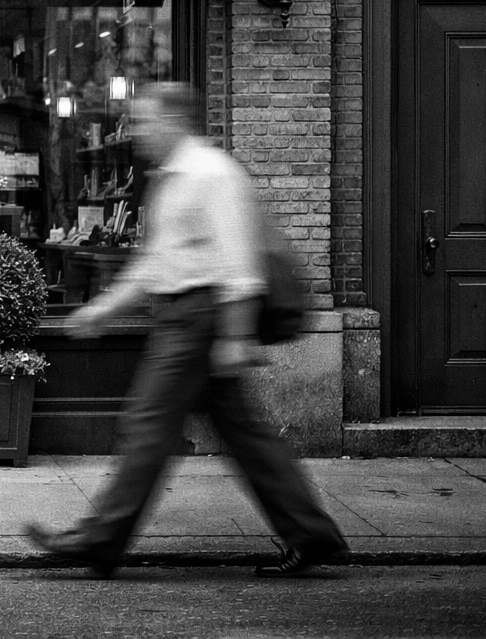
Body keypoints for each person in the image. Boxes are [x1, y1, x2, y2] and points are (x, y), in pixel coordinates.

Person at [24, 81, 346, 579]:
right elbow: (155, 264)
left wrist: (235, 336)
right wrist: (104, 310)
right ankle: (311, 533)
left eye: (146, 121)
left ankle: (101, 538)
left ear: (176, 120)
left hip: (199, 318)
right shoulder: (171, 178)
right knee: (246, 435)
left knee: (147, 426)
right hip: (182, 315)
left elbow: (240, 265)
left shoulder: (212, 173)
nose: (137, 132)